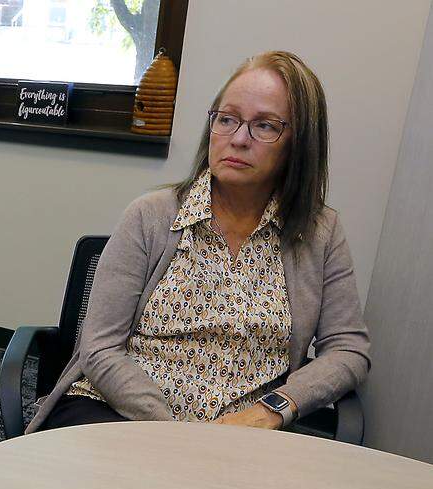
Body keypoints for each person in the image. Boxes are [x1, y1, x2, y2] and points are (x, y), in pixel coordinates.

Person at [29, 51, 370, 433]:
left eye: (265, 126)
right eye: (227, 120)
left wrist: (275, 409)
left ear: (300, 143)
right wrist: (177, 434)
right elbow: (100, 348)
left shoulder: (320, 232)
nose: (238, 139)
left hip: (242, 436)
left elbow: (348, 350)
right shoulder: (150, 216)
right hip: (122, 414)